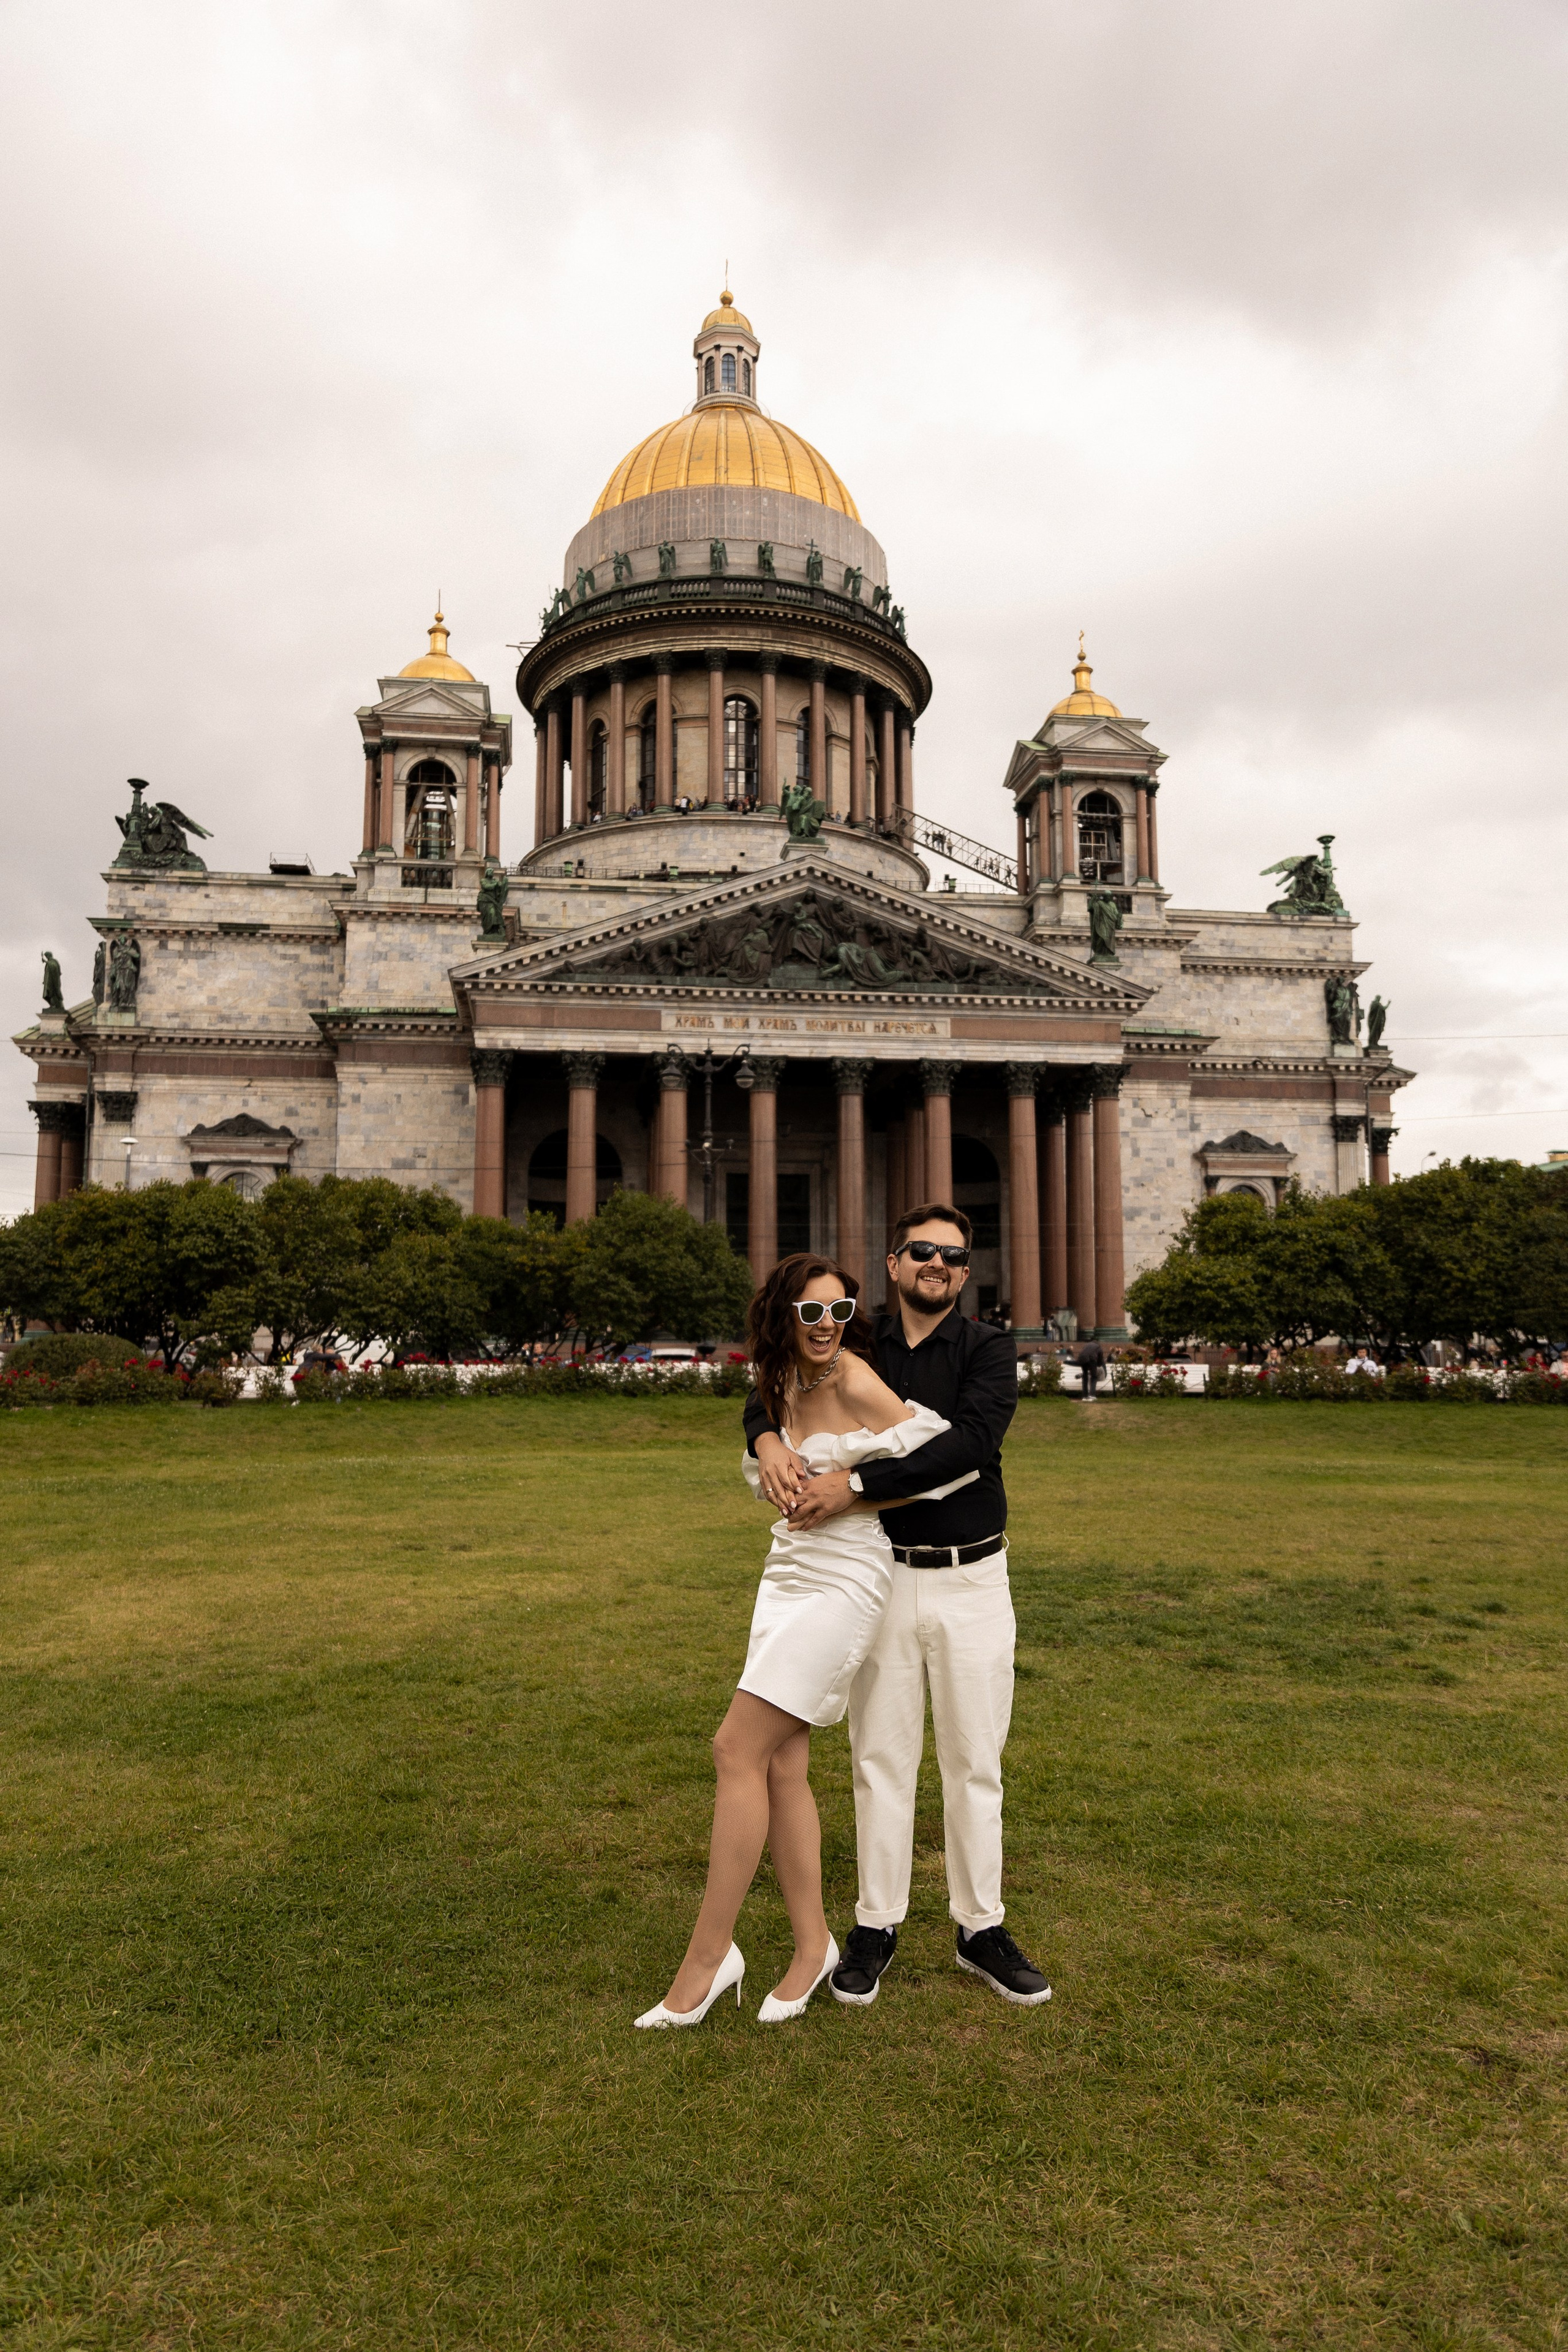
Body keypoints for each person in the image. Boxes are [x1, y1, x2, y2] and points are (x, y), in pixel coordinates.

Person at [634, 1254, 960, 2032]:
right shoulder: (782, 1377)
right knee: (782, 1760)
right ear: (784, 1316)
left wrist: (853, 1488)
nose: (825, 1328)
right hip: (785, 1571)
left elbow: (940, 1452)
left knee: (733, 1749)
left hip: (848, 1573)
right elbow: (763, 1416)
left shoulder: (849, 1376)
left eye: (839, 1313)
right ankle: (811, 1945)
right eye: (811, 1313)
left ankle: (708, 1961)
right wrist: (770, 1442)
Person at [747, 1204, 1051, 2011]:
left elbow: (968, 1447)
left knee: (974, 1760)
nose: (939, 1265)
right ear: (893, 1262)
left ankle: (980, 1927)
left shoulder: (988, 1347)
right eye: (923, 1251)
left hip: (972, 1578)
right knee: (880, 1760)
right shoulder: (854, 1340)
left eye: (954, 1255)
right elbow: (773, 1377)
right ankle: (874, 1927)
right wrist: (767, 1443)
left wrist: (852, 1485)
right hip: (881, 1577)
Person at [1076, 1335, 1106, 1399]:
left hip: (1101, 1375)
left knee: (1089, 1375)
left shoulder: (1087, 1347)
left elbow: (1100, 1366)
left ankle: (1086, 1396)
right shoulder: (1097, 1349)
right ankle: (1090, 1395)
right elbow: (1099, 1363)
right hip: (1093, 1370)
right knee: (1091, 1377)